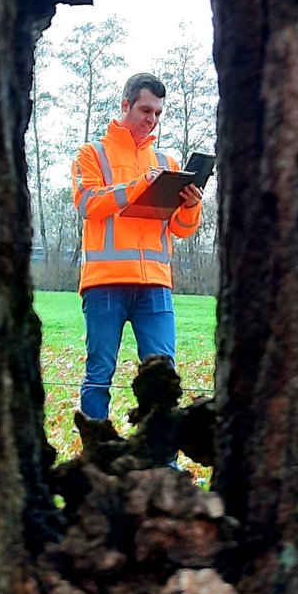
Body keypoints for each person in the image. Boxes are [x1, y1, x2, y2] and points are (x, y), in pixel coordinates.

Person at [71, 73, 204, 420]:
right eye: (146, 110)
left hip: (156, 285)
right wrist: (138, 186)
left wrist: (191, 205)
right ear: (125, 105)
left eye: (158, 113)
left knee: (164, 376)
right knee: (99, 374)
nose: (152, 119)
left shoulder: (167, 164)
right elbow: (87, 203)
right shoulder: (92, 154)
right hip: (105, 283)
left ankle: (161, 449)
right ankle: (95, 447)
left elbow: (181, 229)